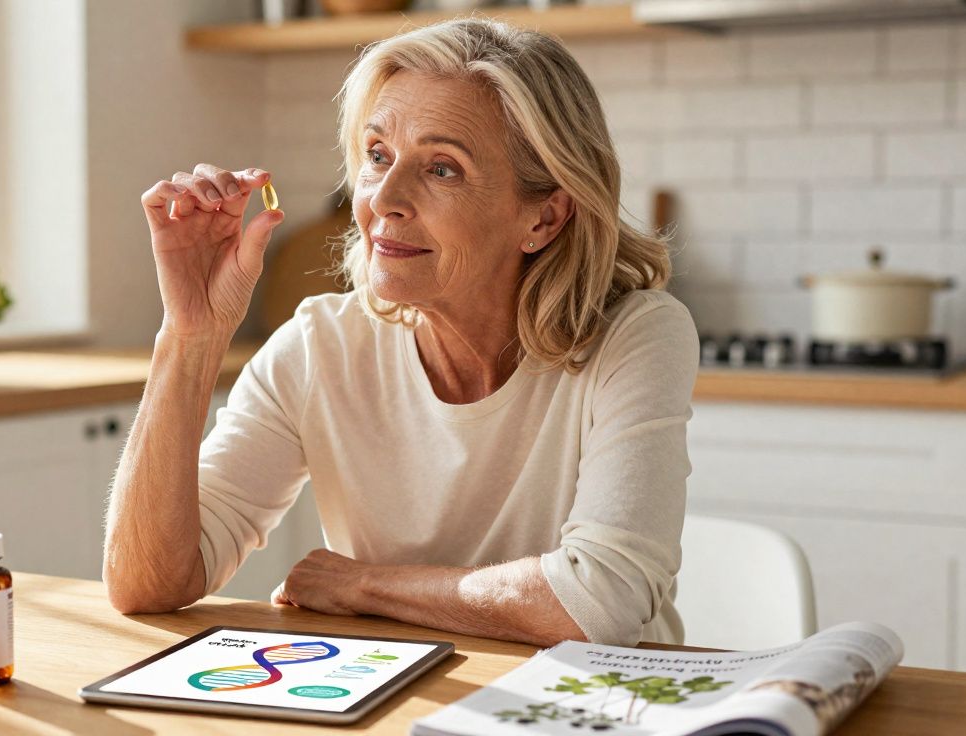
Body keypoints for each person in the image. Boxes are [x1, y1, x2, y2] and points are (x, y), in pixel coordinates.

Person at [103, 17, 698, 648]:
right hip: (407, 691)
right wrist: (190, 334)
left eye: (442, 168)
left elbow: (597, 605)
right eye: (378, 155)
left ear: (544, 217)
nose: (383, 197)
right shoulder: (320, 346)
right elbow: (147, 583)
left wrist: (362, 586)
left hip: (601, 696)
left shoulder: (634, 336)